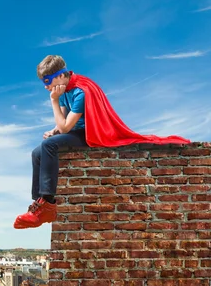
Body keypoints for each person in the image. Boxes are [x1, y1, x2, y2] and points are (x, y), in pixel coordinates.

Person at [14, 55, 191, 229]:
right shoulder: (62, 90)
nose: (46, 87)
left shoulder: (81, 91)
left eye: (48, 81)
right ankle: (38, 204)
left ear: (61, 75)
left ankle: (48, 204)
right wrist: (54, 129)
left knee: (48, 145)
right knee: (36, 152)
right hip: (74, 129)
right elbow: (62, 123)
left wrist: (53, 101)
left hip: (90, 133)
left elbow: (66, 128)